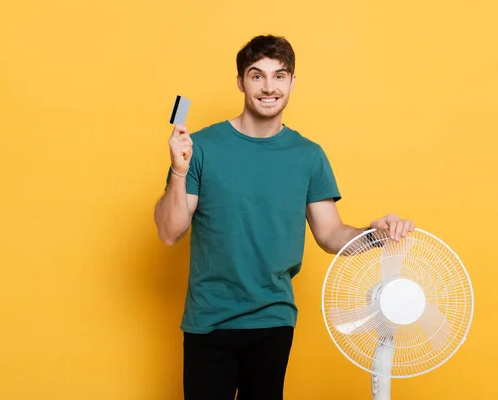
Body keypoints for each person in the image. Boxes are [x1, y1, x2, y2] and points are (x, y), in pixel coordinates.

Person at [153, 34, 415, 400]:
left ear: (292, 82)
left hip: (273, 321)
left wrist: (374, 234)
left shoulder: (308, 156)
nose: (268, 87)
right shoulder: (200, 148)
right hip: (209, 320)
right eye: (256, 75)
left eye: (279, 75)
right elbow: (169, 232)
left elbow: (330, 233)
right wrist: (178, 172)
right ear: (241, 81)